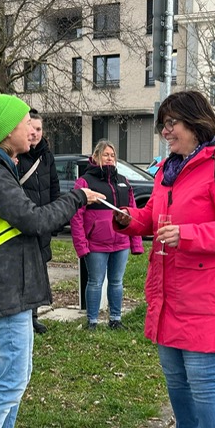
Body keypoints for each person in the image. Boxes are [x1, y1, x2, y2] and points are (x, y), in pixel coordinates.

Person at [0, 94, 104, 428]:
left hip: (9, 289)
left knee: (15, 380)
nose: (31, 130)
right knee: (9, 383)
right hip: (3, 291)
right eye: (24, 124)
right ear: (7, 131)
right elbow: (35, 220)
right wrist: (77, 198)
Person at [113, 91, 215, 428]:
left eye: (171, 123)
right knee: (177, 380)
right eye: (163, 124)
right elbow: (154, 216)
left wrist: (188, 235)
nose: (165, 131)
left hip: (207, 296)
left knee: (205, 383)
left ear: (196, 124)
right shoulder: (169, 168)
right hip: (169, 293)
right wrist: (128, 219)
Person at [70, 140, 144, 330]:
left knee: (117, 282)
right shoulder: (85, 182)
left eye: (112, 155)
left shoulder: (123, 182)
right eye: (105, 155)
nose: (110, 158)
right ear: (96, 157)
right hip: (96, 244)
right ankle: (92, 321)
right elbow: (76, 217)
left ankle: (115, 319)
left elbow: (133, 213)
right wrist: (81, 245)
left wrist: (136, 243)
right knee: (95, 282)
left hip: (121, 243)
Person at [16, 109, 60, 334]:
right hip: (24, 223)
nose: (34, 133)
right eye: (31, 128)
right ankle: (22, 317)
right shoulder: (16, 156)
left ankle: (33, 316)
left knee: (39, 271)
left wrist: (55, 220)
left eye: (39, 129)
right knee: (23, 273)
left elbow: (54, 187)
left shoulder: (47, 156)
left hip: (43, 223)